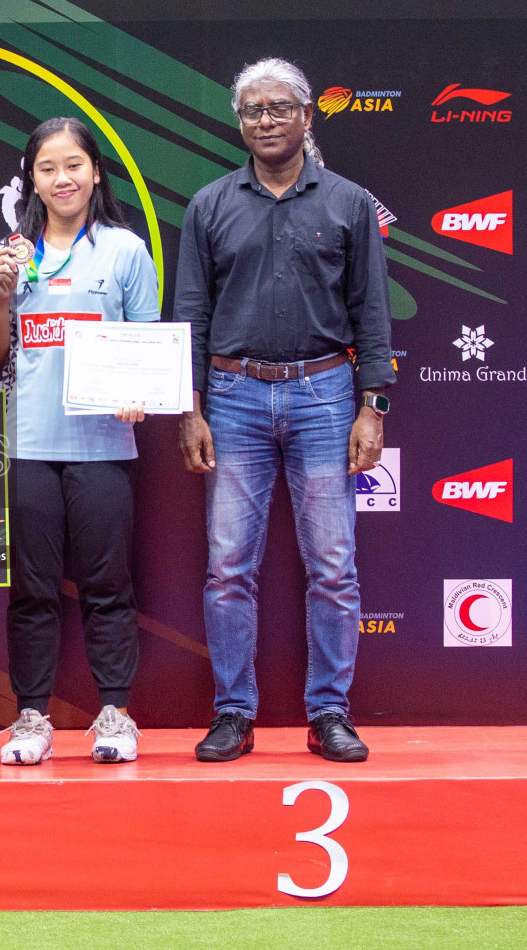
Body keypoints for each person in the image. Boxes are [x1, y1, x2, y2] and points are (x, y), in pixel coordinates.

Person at [173, 57, 394, 764]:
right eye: (252, 111)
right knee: (228, 566)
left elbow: (372, 312)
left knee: (333, 564)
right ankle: (233, 712)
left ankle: (329, 712)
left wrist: (374, 407)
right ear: (240, 122)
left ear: (307, 115)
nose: (264, 121)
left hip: (327, 396)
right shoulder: (209, 205)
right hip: (231, 398)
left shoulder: (350, 202)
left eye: (278, 108)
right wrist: (190, 408)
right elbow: (192, 314)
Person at [0, 118, 159, 765]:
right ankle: (31, 718)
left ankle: (115, 713)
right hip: (28, 445)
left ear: (96, 172)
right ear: (32, 181)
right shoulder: (8, 254)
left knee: (109, 585)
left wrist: (141, 389)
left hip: (104, 445)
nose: (62, 179)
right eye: (48, 168)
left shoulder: (125, 252)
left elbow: (148, 346)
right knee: (32, 589)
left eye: (74, 164)